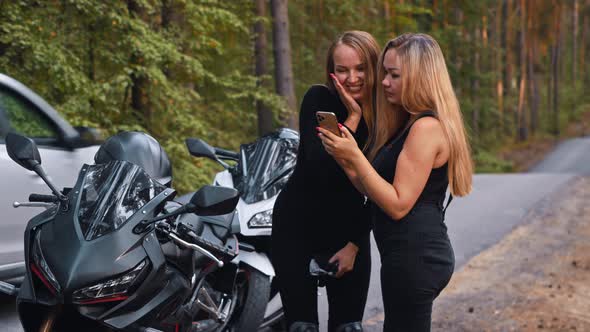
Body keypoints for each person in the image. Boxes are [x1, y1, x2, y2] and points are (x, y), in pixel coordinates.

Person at [317, 33, 473, 332]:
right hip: (404, 255)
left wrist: (356, 157)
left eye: (394, 75)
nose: (384, 82)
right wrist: (344, 155)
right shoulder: (408, 124)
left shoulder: (426, 128)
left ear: (420, 77)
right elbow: (371, 189)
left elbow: (398, 205)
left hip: (417, 257)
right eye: (385, 73)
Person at [271, 31, 380, 332]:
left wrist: (355, 245)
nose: (352, 78)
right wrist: (354, 117)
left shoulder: (385, 119)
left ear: (374, 67)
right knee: (301, 326)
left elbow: (377, 192)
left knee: (348, 327)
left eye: (360, 68)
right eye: (342, 70)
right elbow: (321, 164)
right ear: (332, 72)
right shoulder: (321, 102)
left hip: (348, 235)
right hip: (296, 230)